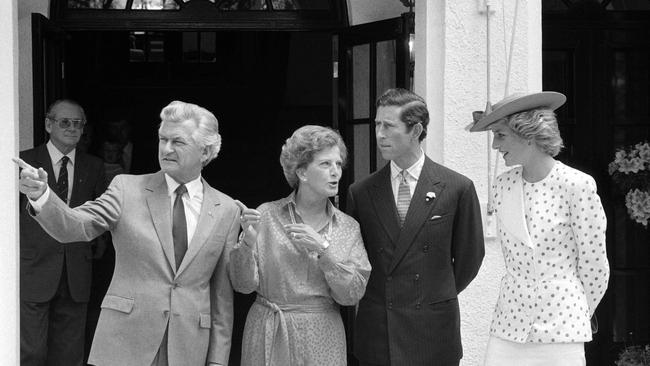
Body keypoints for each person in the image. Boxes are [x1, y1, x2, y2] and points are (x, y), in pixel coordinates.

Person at [15, 100, 238, 366]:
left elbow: (221, 297)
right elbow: (76, 225)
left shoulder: (226, 209)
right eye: (162, 139)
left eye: (177, 142)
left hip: (188, 348)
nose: (166, 149)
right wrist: (42, 196)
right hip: (125, 344)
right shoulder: (126, 189)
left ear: (205, 151)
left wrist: (217, 361)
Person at [469, 91, 609, 366]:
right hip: (509, 325)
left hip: (561, 327)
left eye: (501, 135)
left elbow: (595, 266)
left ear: (528, 135)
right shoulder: (502, 185)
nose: (495, 145)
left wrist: (572, 308)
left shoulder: (576, 185)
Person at [348, 88, 485, 366]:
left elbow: (470, 258)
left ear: (416, 130)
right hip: (379, 331)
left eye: (389, 126)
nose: (379, 134)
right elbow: (355, 261)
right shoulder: (361, 192)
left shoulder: (457, 187)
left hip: (433, 329)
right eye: (377, 125)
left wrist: (432, 293)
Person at [230, 125, 371, 366]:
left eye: (338, 164)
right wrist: (246, 245)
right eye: (325, 164)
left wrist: (323, 250)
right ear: (302, 172)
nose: (335, 172)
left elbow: (352, 295)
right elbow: (242, 286)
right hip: (269, 329)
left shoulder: (347, 227)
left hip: (323, 335)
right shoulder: (267, 215)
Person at [19, 99, 106, 366]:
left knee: (69, 355)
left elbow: (101, 216)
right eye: (64, 122)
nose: (71, 128)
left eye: (77, 123)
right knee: (31, 353)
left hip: (76, 270)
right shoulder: (25, 161)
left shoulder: (94, 166)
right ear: (48, 124)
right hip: (34, 268)